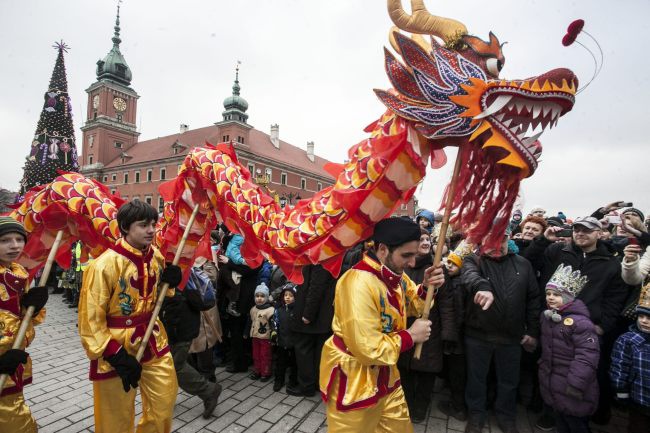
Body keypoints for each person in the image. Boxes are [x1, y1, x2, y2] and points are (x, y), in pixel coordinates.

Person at [319, 217, 445, 432]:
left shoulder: (395, 274)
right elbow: (369, 349)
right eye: (407, 255)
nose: (413, 263)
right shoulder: (357, 283)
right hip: (355, 379)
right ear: (383, 249)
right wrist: (411, 336)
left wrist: (425, 286)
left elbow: (414, 303)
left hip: (386, 375)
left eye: (414, 255)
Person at [78, 201, 182, 433]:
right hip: (115, 348)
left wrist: (170, 282)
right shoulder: (103, 265)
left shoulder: (155, 256)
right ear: (125, 227)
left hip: (153, 339)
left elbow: (159, 294)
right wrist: (114, 354)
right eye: (143, 225)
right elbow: (90, 318)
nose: (151, 230)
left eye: (154, 224)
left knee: (163, 404)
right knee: (115, 418)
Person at [523, 216, 629, 425]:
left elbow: (615, 297)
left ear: (599, 233)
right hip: (552, 322)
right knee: (548, 366)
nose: (580, 233)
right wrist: (543, 240)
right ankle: (548, 411)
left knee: (581, 372)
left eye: (587, 230)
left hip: (586, 329)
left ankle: (576, 417)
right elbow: (529, 261)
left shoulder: (611, 263)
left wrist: (602, 326)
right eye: (577, 229)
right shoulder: (557, 251)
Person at [462, 230, 541, 433]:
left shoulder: (523, 264)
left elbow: (533, 298)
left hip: (511, 337)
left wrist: (532, 330)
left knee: (509, 381)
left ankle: (506, 416)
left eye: (501, 239)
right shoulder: (474, 260)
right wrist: (482, 286)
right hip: (478, 334)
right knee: (476, 380)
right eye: (491, 239)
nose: (496, 244)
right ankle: (476, 416)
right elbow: (469, 277)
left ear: (509, 239)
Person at [398, 229, 454, 423]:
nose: (424, 242)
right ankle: (406, 404)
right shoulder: (402, 267)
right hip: (404, 326)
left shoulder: (437, 268)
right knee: (404, 370)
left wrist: (448, 333)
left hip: (430, 328)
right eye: (420, 239)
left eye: (427, 239)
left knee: (426, 371)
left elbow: (447, 302)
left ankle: (420, 408)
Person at [0, 217, 49, 433]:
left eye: (19, 239)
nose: (14, 245)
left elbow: (29, 319)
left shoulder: (19, 271)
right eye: (5, 240)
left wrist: (33, 306)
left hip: (12, 361)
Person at [538, 265, 600, 433]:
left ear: (569, 297)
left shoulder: (581, 323)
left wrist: (576, 384)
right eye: (548, 294)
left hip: (573, 386)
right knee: (561, 423)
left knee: (576, 424)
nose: (551, 298)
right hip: (554, 383)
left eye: (557, 295)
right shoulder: (548, 317)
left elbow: (586, 357)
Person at [161, 264, 222, 419]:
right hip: (166, 328)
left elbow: (197, 301)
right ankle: (165, 399)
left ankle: (208, 391)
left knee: (176, 366)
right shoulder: (159, 263)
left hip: (181, 328)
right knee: (169, 365)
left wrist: (176, 281)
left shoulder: (182, 269)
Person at [288, 264, 336, 397]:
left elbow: (316, 286)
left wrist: (308, 313)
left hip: (312, 314)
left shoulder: (319, 256)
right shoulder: (325, 253)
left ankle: (306, 386)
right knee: (316, 352)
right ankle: (315, 384)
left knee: (305, 351)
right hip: (320, 314)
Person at [610, 285, 650, 433]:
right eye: (641, 316)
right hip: (638, 397)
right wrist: (621, 391)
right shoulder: (628, 340)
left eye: (649, 317)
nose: (644, 321)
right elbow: (619, 366)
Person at [271, 283, 298, 392]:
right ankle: (279, 380)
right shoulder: (278, 310)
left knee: (294, 363)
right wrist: (274, 334)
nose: (287, 297)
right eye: (285, 295)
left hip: (293, 342)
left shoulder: (297, 311)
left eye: (290, 295)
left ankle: (293, 380)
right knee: (280, 362)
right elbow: (274, 323)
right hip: (281, 341)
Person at [245, 282, 274, 381]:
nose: (259, 298)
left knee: (265, 355)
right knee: (256, 354)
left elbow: (273, 324)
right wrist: (246, 332)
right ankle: (257, 371)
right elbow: (249, 321)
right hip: (255, 336)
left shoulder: (270, 310)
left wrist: (274, 335)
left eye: (262, 296)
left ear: (266, 297)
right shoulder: (253, 309)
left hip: (265, 337)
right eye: (257, 296)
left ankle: (266, 372)